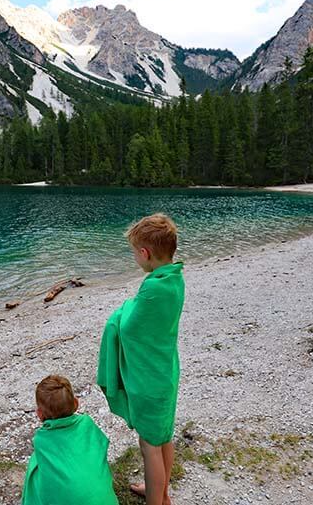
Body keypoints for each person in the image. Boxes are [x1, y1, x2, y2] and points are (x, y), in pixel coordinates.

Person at [97, 213, 185, 505]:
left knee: (149, 444)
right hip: (166, 373)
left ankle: (155, 500)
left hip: (149, 382)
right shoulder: (174, 277)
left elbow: (130, 327)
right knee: (164, 437)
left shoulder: (153, 287)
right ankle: (161, 492)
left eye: (135, 252)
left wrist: (118, 313)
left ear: (145, 253)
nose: (135, 257)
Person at [21, 375, 118, 505]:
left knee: (35, 468)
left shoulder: (41, 439)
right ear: (76, 403)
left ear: (39, 414)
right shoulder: (87, 424)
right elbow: (101, 449)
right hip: (108, 502)